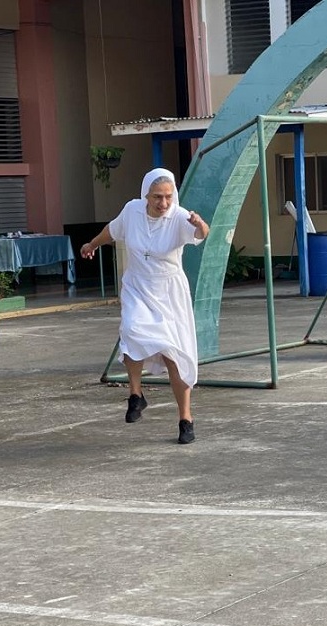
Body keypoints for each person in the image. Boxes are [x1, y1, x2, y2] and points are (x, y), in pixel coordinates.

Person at [80, 168, 210, 444]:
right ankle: (136, 395)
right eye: (157, 197)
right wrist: (92, 244)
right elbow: (112, 231)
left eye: (167, 197)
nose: (163, 203)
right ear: (145, 195)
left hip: (169, 291)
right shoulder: (132, 212)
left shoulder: (178, 216)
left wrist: (200, 225)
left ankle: (185, 419)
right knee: (131, 333)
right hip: (138, 286)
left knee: (175, 355)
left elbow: (201, 234)